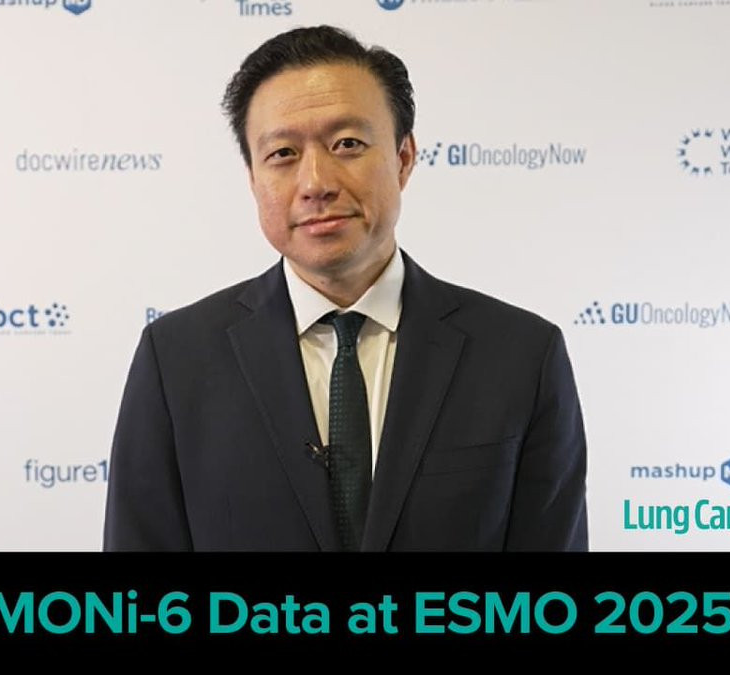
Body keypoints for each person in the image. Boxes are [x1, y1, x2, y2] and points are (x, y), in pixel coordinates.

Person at [103, 25, 587, 551]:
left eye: (347, 144)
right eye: (282, 153)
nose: (316, 183)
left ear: (403, 159)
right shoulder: (176, 359)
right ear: (253, 178)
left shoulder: (521, 355)